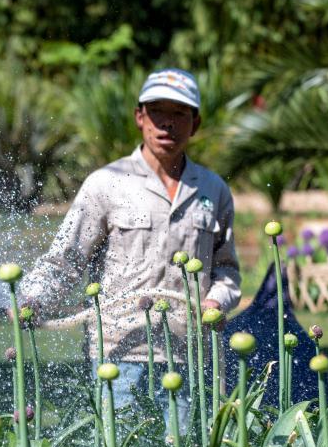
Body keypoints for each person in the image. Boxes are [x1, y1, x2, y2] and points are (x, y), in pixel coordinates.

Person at [18, 68, 241, 424]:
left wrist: (216, 300)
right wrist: (33, 298)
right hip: (118, 351)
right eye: (158, 112)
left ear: (195, 123)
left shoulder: (213, 190)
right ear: (140, 117)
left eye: (179, 114)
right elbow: (65, 259)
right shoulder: (107, 183)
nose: (167, 123)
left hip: (188, 353)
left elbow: (226, 269)